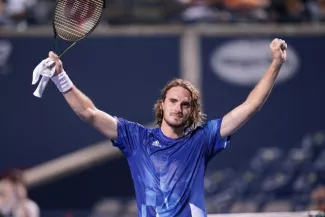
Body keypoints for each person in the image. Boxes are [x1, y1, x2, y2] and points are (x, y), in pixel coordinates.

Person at [32, 38, 287, 217]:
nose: (178, 108)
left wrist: (275, 64)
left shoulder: (202, 139)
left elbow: (250, 105)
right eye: (173, 101)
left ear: (192, 111)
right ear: (162, 105)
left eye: (185, 104)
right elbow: (89, 113)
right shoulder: (136, 138)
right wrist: (60, 77)